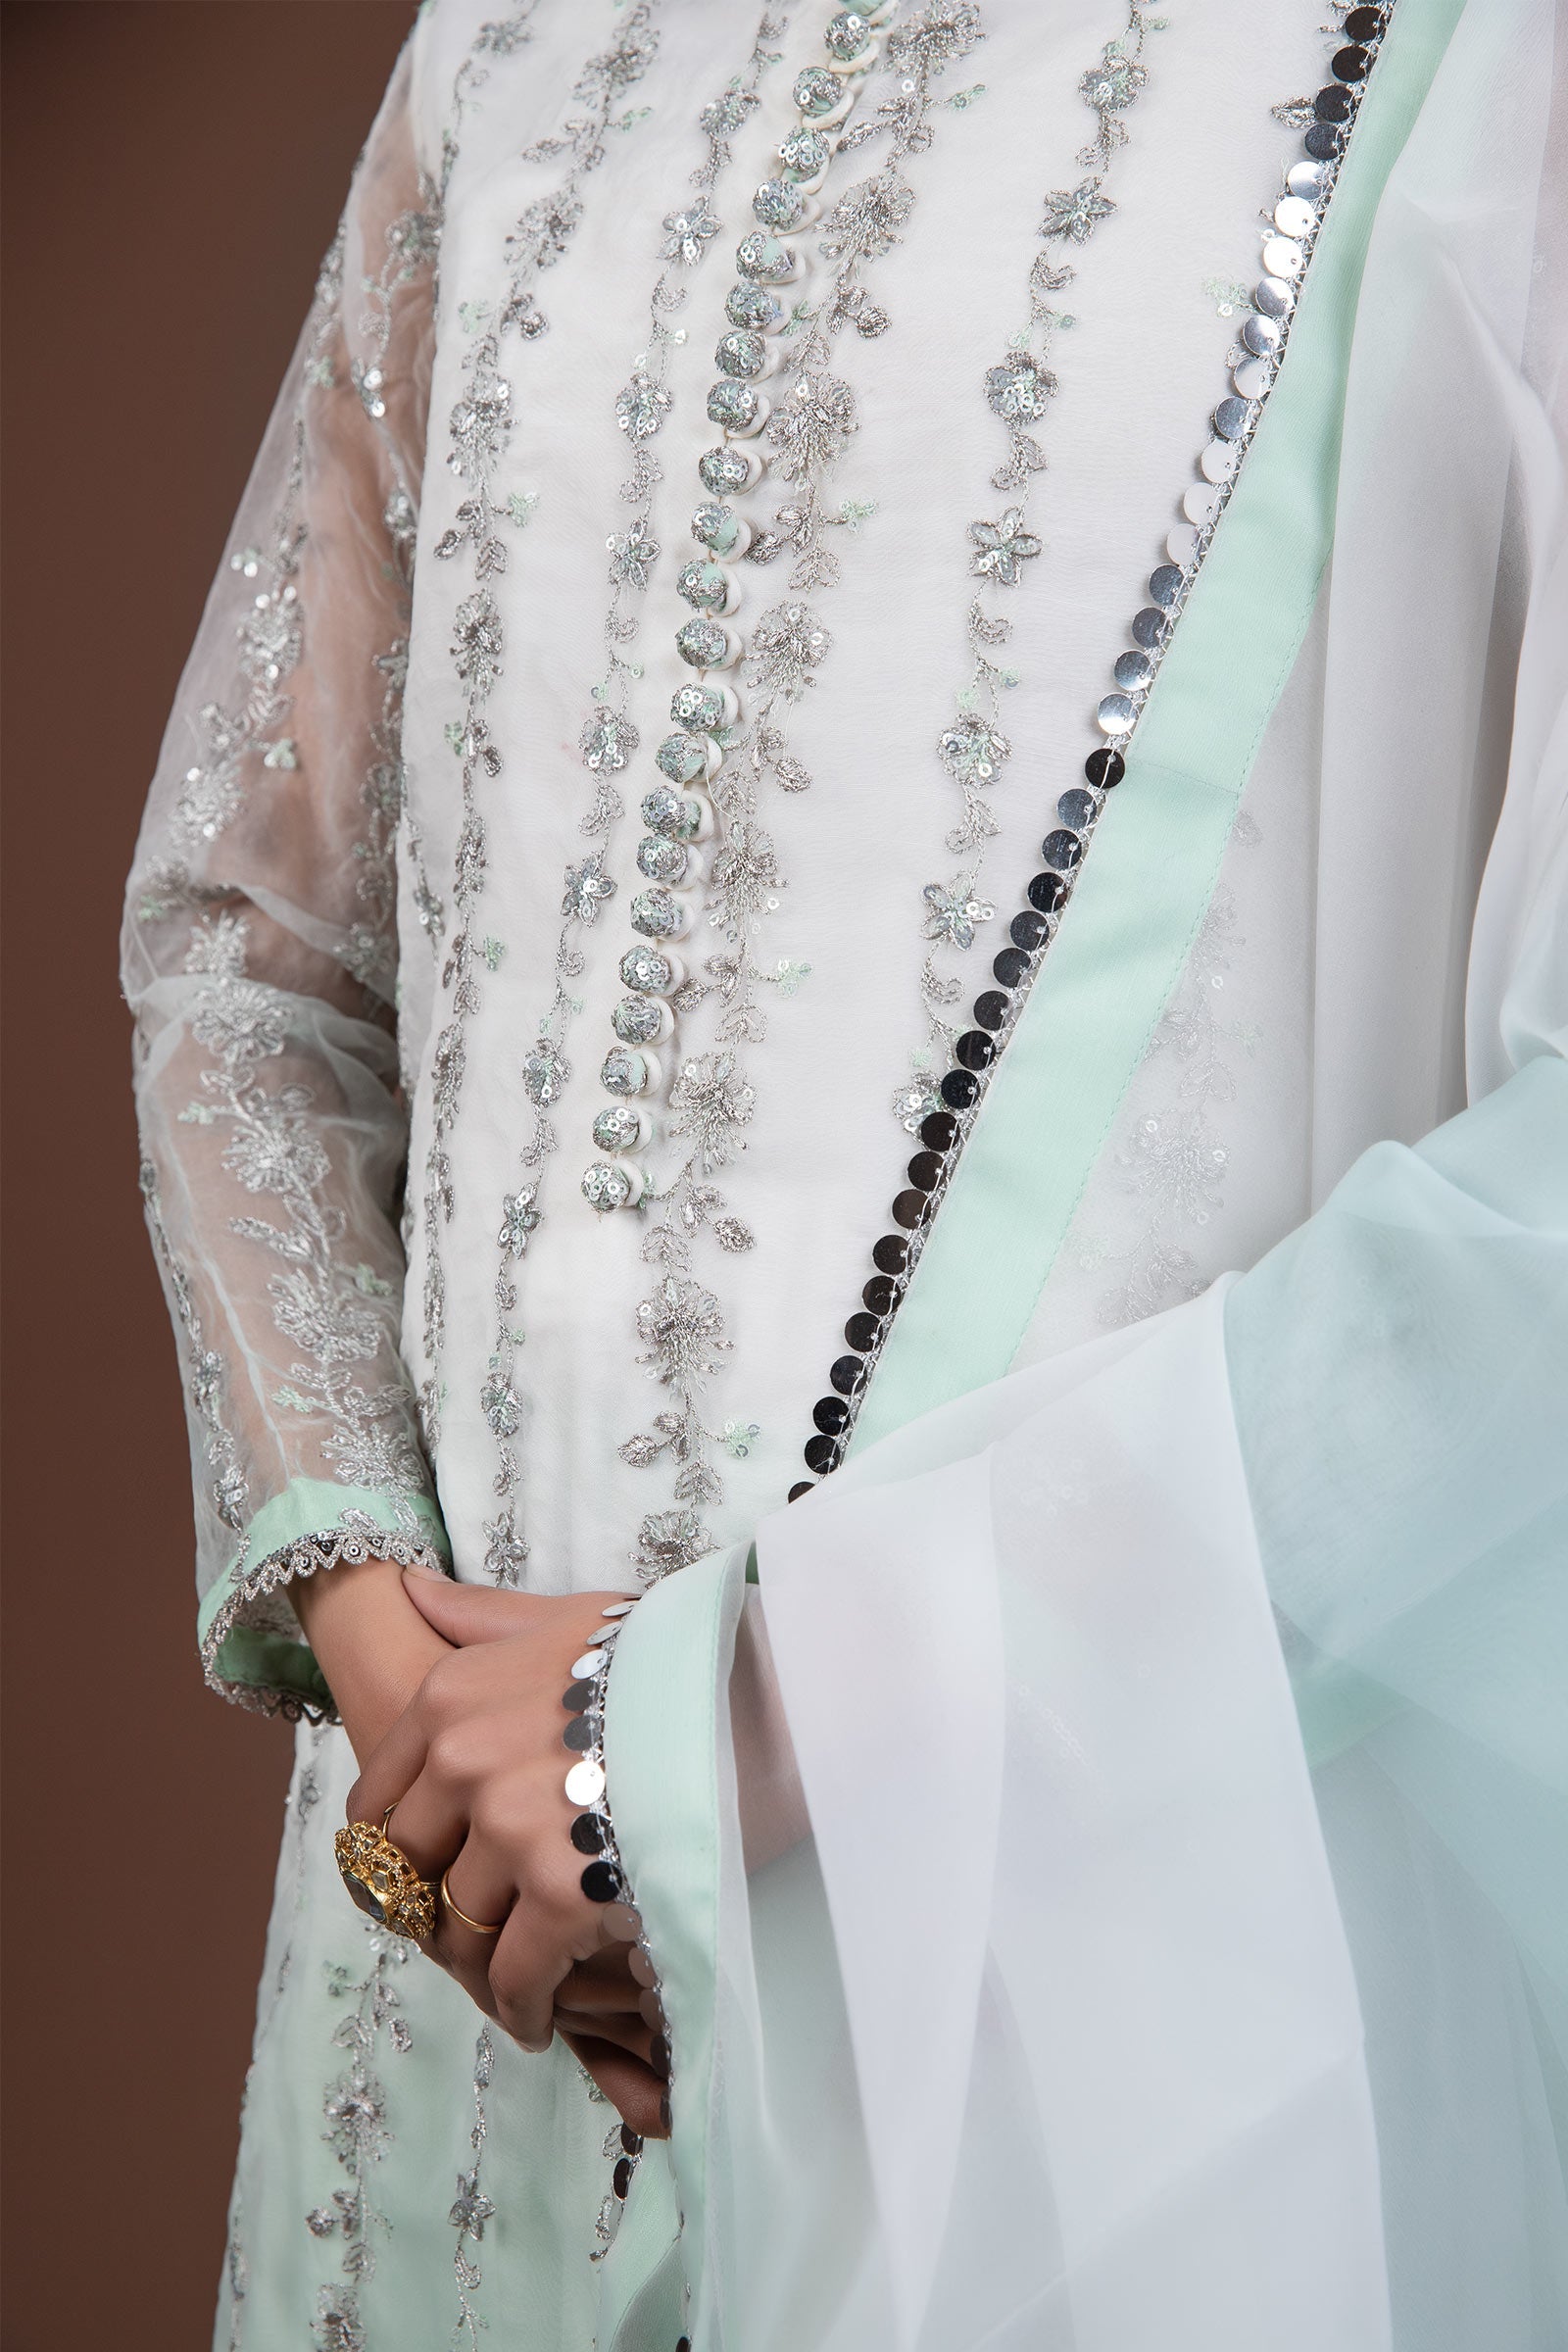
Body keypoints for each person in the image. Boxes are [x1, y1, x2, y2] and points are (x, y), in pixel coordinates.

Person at [124, 0, 1566, 2344]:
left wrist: (735, 1719)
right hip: (448, 1995)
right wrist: (398, 1679)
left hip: (1079, 1949)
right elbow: (246, 950)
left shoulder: (1475, 56)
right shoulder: (504, 49)